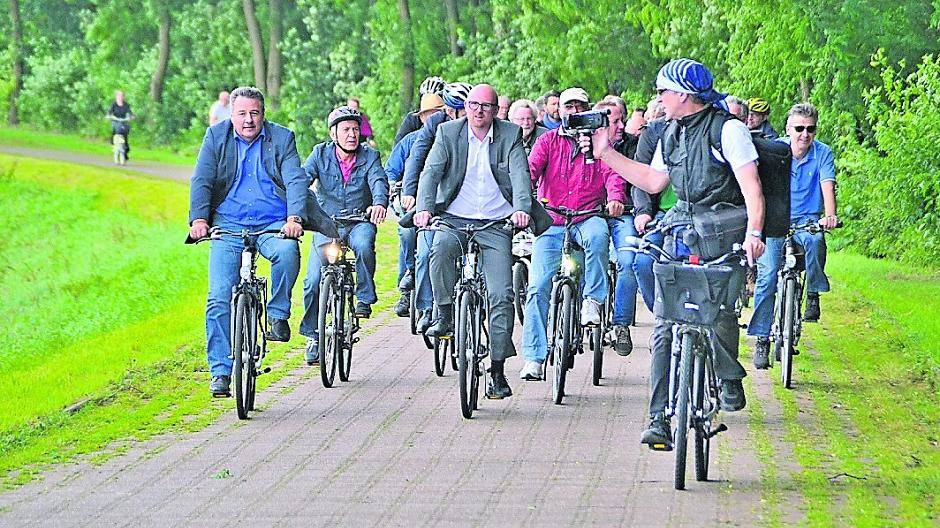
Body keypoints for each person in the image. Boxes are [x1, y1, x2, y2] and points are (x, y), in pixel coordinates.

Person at [584, 59, 766, 448]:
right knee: (666, 325)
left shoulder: (728, 130)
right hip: (681, 226)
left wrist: (754, 233)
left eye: (664, 91)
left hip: (722, 230)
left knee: (718, 313)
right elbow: (653, 180)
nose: (660, 99)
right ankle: (659, 418)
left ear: (683, 95)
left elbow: (752, 187)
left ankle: (728, 374)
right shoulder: (670, 134)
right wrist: (605, 154)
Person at [413, 84, 550, 399]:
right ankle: (444, 313)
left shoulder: (510, 134)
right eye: (474, 104)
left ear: (495, 110)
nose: (479, 111)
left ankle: (498, 370)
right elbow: (431, 173)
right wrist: (423, 209)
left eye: (486, 106)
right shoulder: (448, 133)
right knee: (439, 249)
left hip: (495, 223)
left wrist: (521, 209)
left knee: (501, 294)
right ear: (466, 106)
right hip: (454, 218)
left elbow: (519, 174)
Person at [187, 86, 308, 398]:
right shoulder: (216, 137)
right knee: (217, 297)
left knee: (287, 251)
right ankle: (220, 371)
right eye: (242, 113)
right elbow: (202, 178)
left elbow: (295, 179)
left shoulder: (282, 138)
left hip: (272, 222)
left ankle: (278, 313)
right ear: (232, 114)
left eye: (254, 113)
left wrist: (294, 217)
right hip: (228, 223)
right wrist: (199, 219)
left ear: (263, 114)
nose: (248, 119)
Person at [517, 87, 627, 380]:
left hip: (586, 216)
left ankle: (592, 300)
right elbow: (530, 170)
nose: (574, 112)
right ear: (559, 111)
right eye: (569, 107)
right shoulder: (548, 140)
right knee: (538, 285)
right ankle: (534, 357)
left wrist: (615, 197)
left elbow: (613, 173)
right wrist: (521, 199)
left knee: (598, 236)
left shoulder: (599, 143)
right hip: (552, 220)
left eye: (580, 107)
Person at [748, 102, 837, 368]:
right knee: (767, 277)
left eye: (810, 129)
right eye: (799, 129)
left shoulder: (823, 153)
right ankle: (762, 340)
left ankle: (813, 294)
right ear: (788, 129)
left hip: (807, 220)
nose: (804, 135)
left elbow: (827, 185)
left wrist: (830, 215)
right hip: (776, 221)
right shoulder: (775, 150)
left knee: (816, 241)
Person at [299, 106, 388, 364]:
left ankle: (364, 297)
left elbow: (378, 181)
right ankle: (314, 336)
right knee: (313, 279)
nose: (351, 134)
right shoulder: (320, 153)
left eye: (355, 129)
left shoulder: (370, 156)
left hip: (359, 219)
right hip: (327, 223)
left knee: (363, 244)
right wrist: (295, 206)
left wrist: (379, 203)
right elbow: (303, 179)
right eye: (346, 129)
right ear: (333, 133)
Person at [400, 81, 472, 333]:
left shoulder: (480, 126)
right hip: (435, 194)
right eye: (463, 110)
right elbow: (416, 158)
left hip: (468, 197)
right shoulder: (434, 124)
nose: (470, 114)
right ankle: (427, 307)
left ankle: (475, 307)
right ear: (450, 111)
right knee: (425, 251)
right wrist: (410, 192)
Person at [386, 93, 446, 317]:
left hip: (441, 202)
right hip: (413, 201)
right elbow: (391, 170)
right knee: (407, 232)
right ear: (422, 118)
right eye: (429, 114)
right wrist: (397, 188)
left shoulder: (453, 137)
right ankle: (409, 279)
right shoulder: (409, 141)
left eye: (438, 113)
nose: (434, 118)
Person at [595, 96, 639, 356]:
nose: (622, 126)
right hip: (591, 214)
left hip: (625, 214)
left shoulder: (635, 146)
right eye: (615, 121)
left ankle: (621, 324)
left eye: (623, 119)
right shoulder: (585, 145)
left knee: (629, 259)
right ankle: (575, 310)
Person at [394, 76, 446, 144]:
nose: (432, 117)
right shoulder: (412, 120)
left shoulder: (451, 121)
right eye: (427, 113)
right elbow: (399, 148)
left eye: (436, 112)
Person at [107, 90, 135, 159]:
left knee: (125, 133)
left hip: (124, 122)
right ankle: (113, 143)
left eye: (122, 95)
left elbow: (130, 113)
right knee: (115, 130)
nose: (120, 97)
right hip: (115, 121)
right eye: (119, 95)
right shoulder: (114, 104)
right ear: (116, 97)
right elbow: (109, 113)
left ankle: (125, 148)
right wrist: (110, 116)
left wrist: (131, 117)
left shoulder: (126, 105)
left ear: (124, 97)